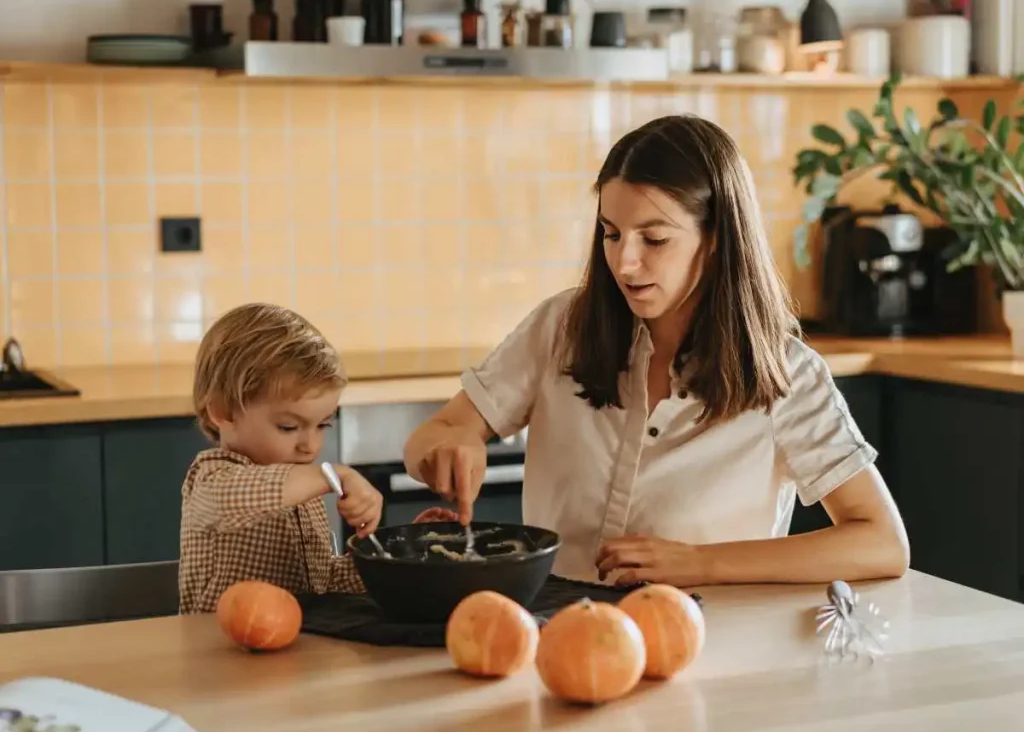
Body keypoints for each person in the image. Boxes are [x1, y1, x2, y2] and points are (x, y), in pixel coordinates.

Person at [402, 115, 910, 588]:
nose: (624, 263)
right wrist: (447, 446)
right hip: (555, 633)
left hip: (711, 645)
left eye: (655, 238)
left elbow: (882, 541)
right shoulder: (562, 327)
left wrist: (701, 563)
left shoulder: (785, 374)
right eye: (611, 234)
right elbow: (435, 433)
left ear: (716, 239)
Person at [179, 302, 456, 614]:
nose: (310, 446)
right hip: (218, 655)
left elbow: (323, 585)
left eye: (322, 425)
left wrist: (405, 550)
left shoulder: (305, 493)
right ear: (223, 411)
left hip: (296, 652)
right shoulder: (211, 478)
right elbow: (236, 498)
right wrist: (332, 475)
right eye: (289, 427)